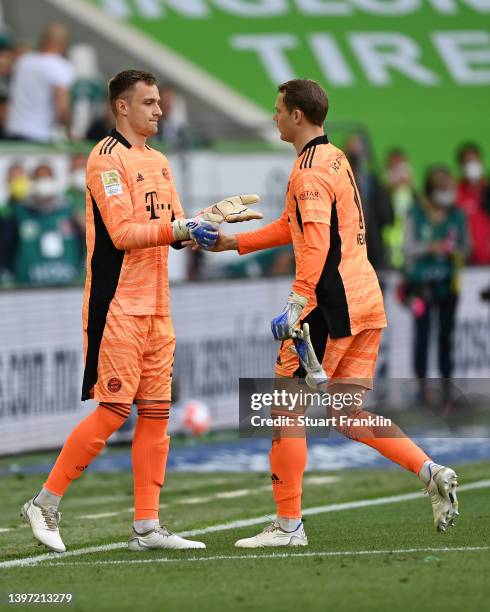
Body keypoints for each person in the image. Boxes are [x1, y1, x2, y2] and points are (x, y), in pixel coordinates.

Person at [210, 79, 459, 547]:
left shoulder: (307, 173)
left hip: (330, 305)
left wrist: (297, 301)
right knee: (347, 412)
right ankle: (430, 470)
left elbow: (318, 244)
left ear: (297, 116)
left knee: (284, 410)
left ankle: (288, 527)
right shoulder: (335, 157)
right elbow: (297, 226)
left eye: (278, 109)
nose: (274, 116)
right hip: (366, 298)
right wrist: (234, 242)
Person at [20, 69, 259, 553]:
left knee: (156, 413)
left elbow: (176, 231)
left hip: (157, 305)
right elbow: (125, 233)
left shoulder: (161, 162)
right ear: (122, 107)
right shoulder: (105, 161)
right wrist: (184, 226)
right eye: (149, 102)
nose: (159, 110)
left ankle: (146, 527)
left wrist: (213, 227)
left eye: (159, 101)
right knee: (113, 410)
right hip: (118, 307)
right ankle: (44, 502)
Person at [403, 165, 469, 383]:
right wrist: (429, 247)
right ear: (431, 190)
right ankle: (421, 383)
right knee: (422, 334)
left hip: (448, 284)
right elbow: (408, 248)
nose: (448, 191)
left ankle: (446, 381)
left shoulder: (458, 215)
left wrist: (454, 251)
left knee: (446, 334)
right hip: (421, 285)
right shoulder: (415, 213)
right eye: (443, 187)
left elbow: (467, 247)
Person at [6, 162, 83, 287]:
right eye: (39, 178)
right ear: (32, 181)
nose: (44, 182)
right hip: (27, 287)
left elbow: (81, 246)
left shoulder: (70, 212)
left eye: (47, 178)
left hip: (67, 286)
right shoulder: (19, 213)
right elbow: (7, 248)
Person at [5, 23, 74, 142]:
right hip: (39, 135)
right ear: (63, 44)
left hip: (13, 129)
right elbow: (62, 107)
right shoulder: (60, 67)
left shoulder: (23, 61)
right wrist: (69, 132)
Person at [382, 148, 417, 270]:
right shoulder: (382, 192)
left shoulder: (412, 193)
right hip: (388, 253)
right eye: (395, 168)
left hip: (411, 253)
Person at [455, 143, 490, 264]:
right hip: (466, 262)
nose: (472, 166)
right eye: (467, 162)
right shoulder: (456, 193)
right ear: (461, 166)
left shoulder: (487, 189)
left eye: (474, 161)